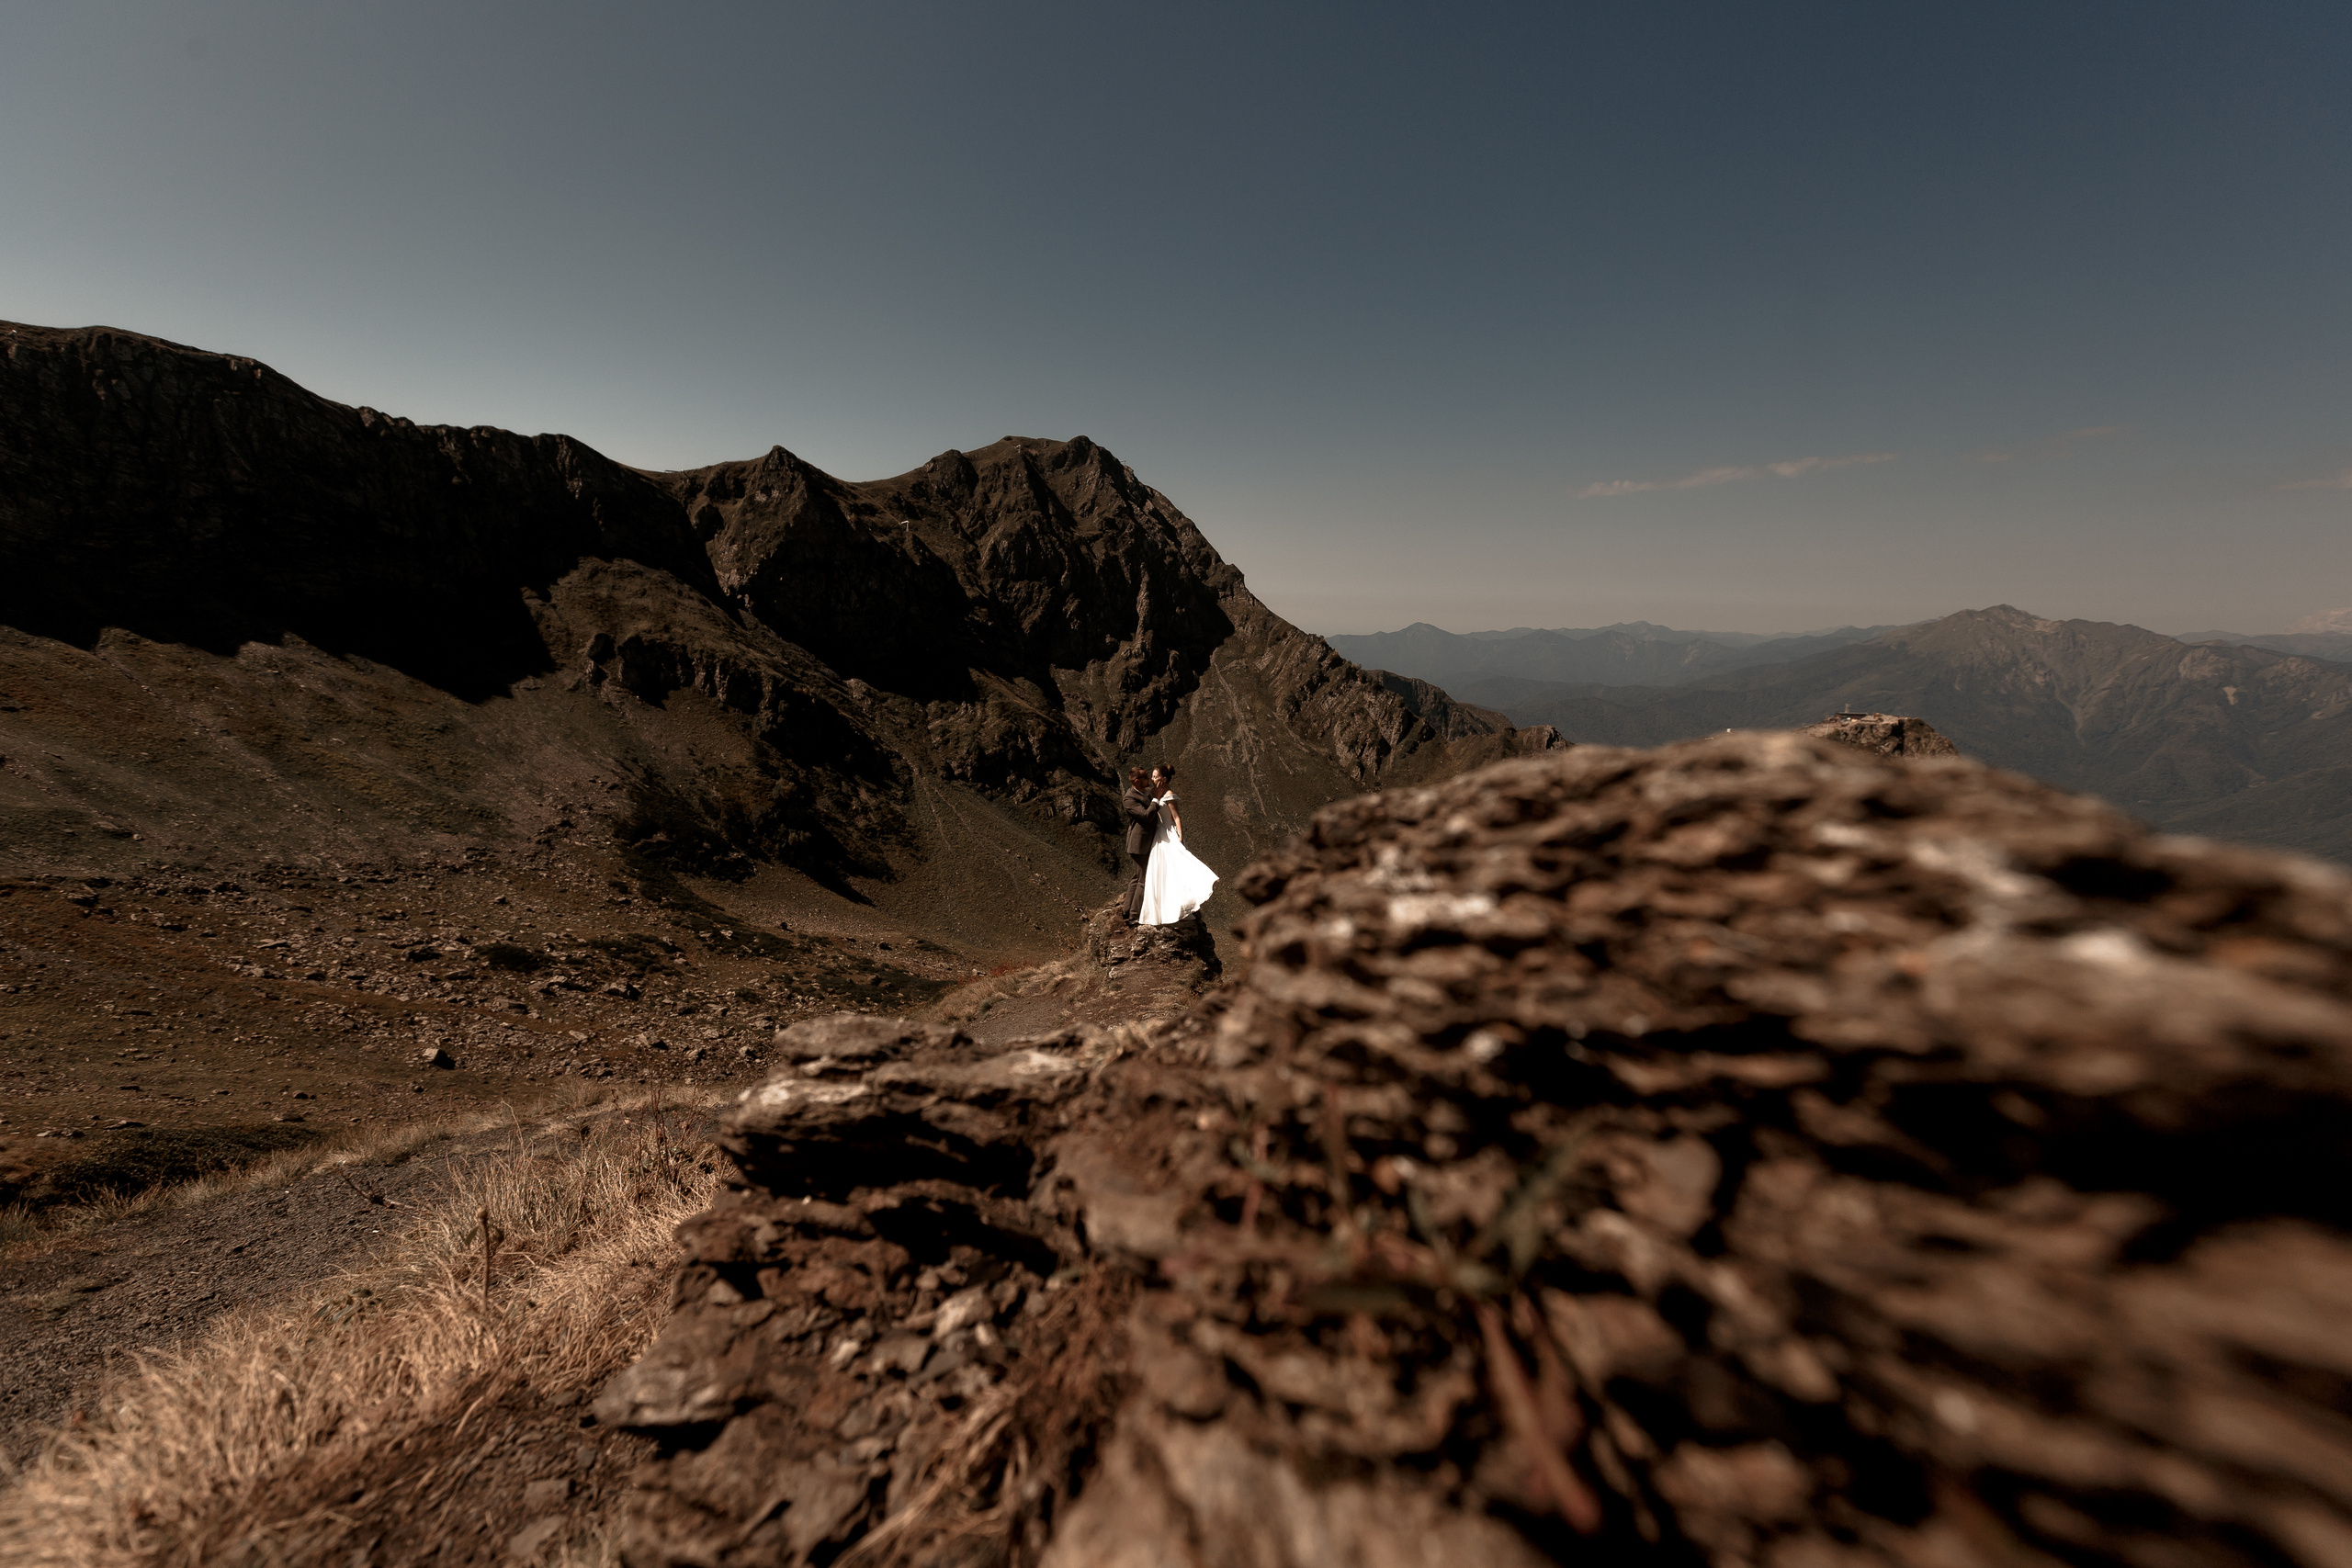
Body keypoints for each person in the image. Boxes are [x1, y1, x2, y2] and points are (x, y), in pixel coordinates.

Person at [1136, 763, 1217, 925]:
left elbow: (1176, 817)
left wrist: (1180, 836)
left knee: (1174, 869)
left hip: (1169, 833)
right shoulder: (1151, 793)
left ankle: (1179, 907)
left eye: (1155, 777)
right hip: (1158, 835)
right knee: (1159, 870)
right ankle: (1160, 911)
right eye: (1152, 776)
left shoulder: (1169, 795)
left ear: (1164, 779)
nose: (1152, 779)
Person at [1120, 767, 1159, 923]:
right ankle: (1134, 916)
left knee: (1137, 877)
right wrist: (1155, 801)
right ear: (1137, 781)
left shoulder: (1146, 791)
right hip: (1138, 843)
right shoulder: (1129, 799)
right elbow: (1146, 816)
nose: (1148, 779)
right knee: (1143, 879)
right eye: (1145, 777)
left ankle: (1126, 910)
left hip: (1145, 841)